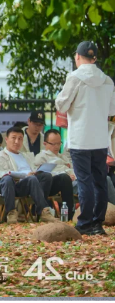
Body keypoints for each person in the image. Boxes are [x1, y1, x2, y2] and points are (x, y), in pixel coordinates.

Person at [56, 41, 115, 235]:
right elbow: (112, 110)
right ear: (95, 58)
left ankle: (84, 224)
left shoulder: (75, 77)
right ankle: (98, 224)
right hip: (100, 139)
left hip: (81, 138)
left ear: (78, 56)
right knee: (100, 181)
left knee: (84, 181)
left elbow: (62, 105)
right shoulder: (107, 81)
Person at [0, 127, 60, 224]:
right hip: (11, 185)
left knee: (46, 176)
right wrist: (25, 175)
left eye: (20, 139)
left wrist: (37, 172)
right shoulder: (1, 155)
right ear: (6, 139)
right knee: (25, 179)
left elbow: (33, 169)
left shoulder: (25, 155)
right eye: (14, 138)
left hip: (26, 184)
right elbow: (4, 174)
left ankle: (42, 212)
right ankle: (11, 213)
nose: (17, 141)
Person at [33, 129, 76, 219]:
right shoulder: (41, 157)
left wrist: (71, 174)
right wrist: (66, 173)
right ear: (45, 144)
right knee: (64, 178)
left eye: (59, 143)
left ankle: (68, 215)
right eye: (53, 144)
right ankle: (44, 213)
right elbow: (40, 174)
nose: (57, 146)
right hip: (47, 185)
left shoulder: (63, 156)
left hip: (69, 182)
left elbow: (72, 170)